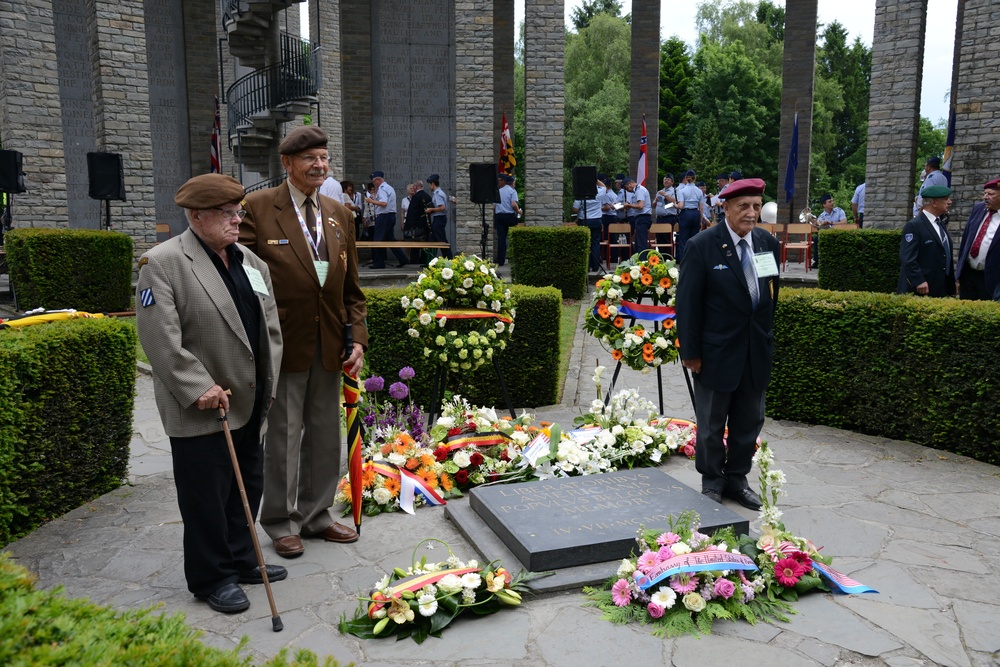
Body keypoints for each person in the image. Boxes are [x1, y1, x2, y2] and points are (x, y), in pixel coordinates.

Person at [136, 173, 285, 613]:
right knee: (205, 493)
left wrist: (271, 376)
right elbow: (159, 337)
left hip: (251, 398)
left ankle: (243, 558)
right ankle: (211, 576)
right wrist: (197, 386)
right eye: (227, 213)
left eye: (238, 212)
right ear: (196, 216)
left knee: (247, 485)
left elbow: (270, 326)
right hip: (205, 403)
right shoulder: (161, 263)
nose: (238, 220)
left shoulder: (251, 263)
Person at [239, 125, 368, 558]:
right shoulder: (256, 208)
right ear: (287, 164)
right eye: (310, 159)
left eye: (324, 158)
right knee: (284, 434)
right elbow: (244, 279)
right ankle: (280, 521)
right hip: (282, 341)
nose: (319, 165)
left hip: (330, 341)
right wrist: (259, 334)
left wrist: (358, 340)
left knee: (325, 435)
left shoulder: (339, 212)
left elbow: (351, 286)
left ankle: (317, 516)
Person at [676, 178, 780, 511]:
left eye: (756, 206)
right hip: (715, 353)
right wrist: (690, 353)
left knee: (749, 422)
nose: (751, 214)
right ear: (726, 208)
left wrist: (766, 337)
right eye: (743, 207)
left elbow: (770, 297)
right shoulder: (702, 245)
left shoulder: (767, 243)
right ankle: (712, 481)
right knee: (710, 425)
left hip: (754, 351)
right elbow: (688, 304)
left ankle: (737, 478)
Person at [897, 184, 955, 297]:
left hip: (939, 289)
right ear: (934, 203)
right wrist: (918, 280)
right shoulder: (914, 226)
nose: (950, 202)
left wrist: (951, 284)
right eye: (945, 199)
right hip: (920, 291)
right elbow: (907, 258)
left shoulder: (940, 224)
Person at [955, 178, 1000, 300]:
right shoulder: (978, 209)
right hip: (968, 275)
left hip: (992, 279)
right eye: (984, 193)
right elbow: (965, 241)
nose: (985, 197)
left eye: (990, 194)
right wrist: (959, 274)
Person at [364, 171, 408, 268]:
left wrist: (371, 201)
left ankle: (379, 263)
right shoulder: (389, 188)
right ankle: (402, 258)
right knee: (390, 239)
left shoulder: (382, 189)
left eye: (374, 181)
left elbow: (384, 203)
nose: (374, 184)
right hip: (390, 216)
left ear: (378, 180)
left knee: (378, 239)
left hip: (384, 216)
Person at [572, 175, 606, 271]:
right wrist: (594, 178)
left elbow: (575, 209)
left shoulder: (581, 193)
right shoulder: (599, 192)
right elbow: (603, 186)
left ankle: (586, 266)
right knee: (595, 243)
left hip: (585, 219)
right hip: (597, 220)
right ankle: (595, 266)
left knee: (585, 243)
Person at [675, 169, 705, 261]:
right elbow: (701, 208)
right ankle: (694, 261)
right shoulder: (699, 191)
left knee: (683, 239)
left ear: (686, 178)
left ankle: (684, 261)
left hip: (686, 213)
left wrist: (675, 205)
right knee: (694, 239)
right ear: (695, 178)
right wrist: (700, 221)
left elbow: (681, 205)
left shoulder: (682, 190)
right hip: (695, 214)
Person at [812, 193, 846, 268]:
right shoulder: (821, 216)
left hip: (838, 233)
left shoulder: (839, 211)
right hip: (827, 234)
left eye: (832, 201)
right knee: (816, 238)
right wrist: (818, 225)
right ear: (824, 205)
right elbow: (819, 228)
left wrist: (830, 222)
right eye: (830, 202)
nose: (832, 203)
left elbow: (844, 223)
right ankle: (817, 261)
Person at [494, 174, 521, 265]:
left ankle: (500, 260)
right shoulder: (512, 191)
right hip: (509, 216)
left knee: (501, 239)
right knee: (513, 237)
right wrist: (519, 211)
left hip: (499, 216)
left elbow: (494, 206)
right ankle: (513, 259)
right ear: (512, 182)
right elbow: (513, 205)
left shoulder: (498, 191)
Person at [404, 179, 432, 263]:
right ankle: (424, 259)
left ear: (416, 187)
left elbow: (412, 213)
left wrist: (409, 226)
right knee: (425, 243)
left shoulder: (415, 197)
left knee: (415, 242)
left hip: (417, 225)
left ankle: (414, 259)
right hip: (426, 224)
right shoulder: (428, 196)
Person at [427, 174, 453, 259]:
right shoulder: (439, 193)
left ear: (433, 184)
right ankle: (430, 259)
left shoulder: (437, 194)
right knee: (433, 239)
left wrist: (431, 209)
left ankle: (449, 258)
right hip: (438, 218)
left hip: (439, 218)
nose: (429, 186)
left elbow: (442, 207)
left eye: (429, 184)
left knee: (441, 240)